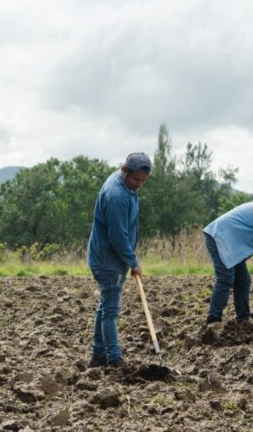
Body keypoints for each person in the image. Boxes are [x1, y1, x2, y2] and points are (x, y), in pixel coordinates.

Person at [86, 152, 152, 367]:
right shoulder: (117, 195)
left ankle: (98, 356)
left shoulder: (124, 184)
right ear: (125, 171)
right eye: (136, 180)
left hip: (109, 255)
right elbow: (118, 236)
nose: (139, 185)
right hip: (107, 258)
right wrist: (133, 262)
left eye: (144, 181)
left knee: (105, 306)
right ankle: (114, 361)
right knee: (111, 311)